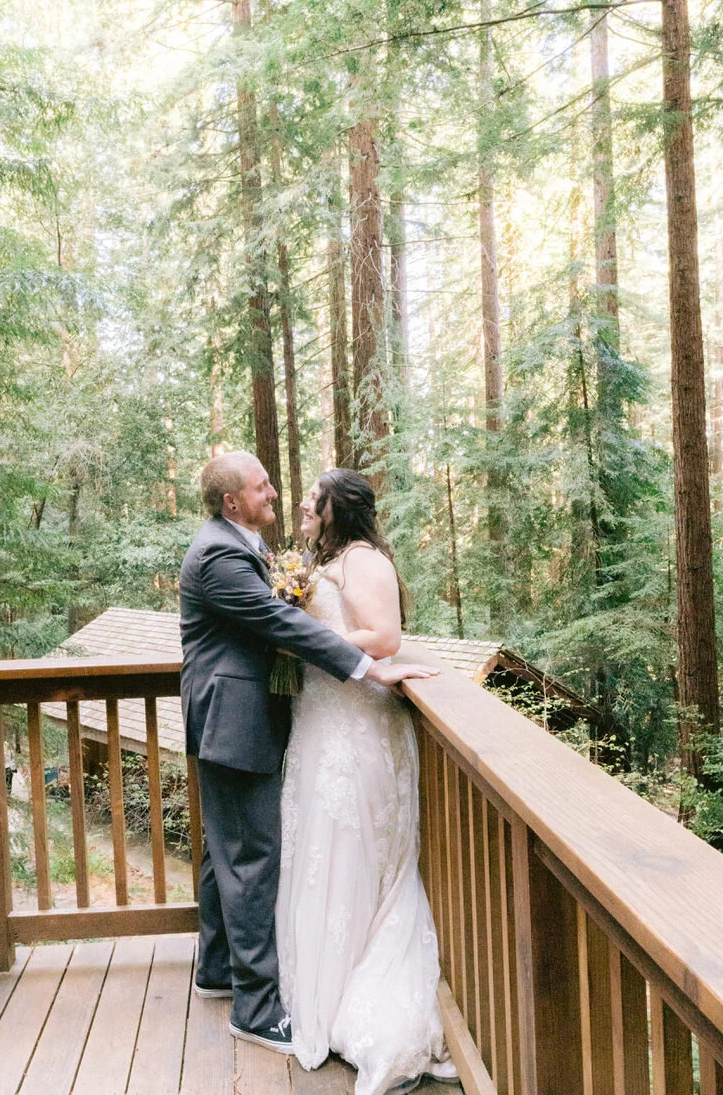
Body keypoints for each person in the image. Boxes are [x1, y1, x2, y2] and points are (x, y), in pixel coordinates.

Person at [179, 452, 439, 1056]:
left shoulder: (239, 544)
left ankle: (216, 969)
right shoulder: (220, 554)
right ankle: (255, 1010)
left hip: (240, 720)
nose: (275, 492)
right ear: (232, 502)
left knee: (227, 853)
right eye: (261, 486)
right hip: (234, 722)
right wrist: (368, 667)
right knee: (249, 860)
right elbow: (278, 623)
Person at [276, 468, 460, 1095]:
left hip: (355, 730)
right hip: (320, 723)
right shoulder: (326, 562)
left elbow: (384, 639)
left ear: (338, 508)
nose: (304, 504)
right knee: (319, 852)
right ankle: (321, 995)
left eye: (314, 498)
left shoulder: (365, 561)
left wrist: (301, 639)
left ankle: (362, 1002)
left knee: (354, 852)